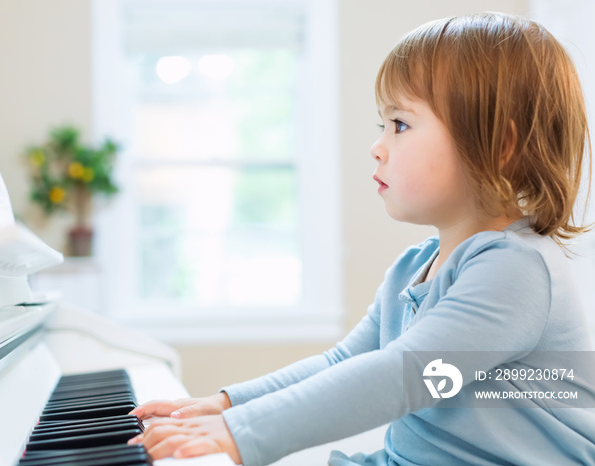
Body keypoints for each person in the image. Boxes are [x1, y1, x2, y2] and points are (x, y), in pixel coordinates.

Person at [128, 12, 595, 466]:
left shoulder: (518, 269)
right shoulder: (413, 268)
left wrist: (244, 432)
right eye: (383, 125)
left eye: (401, 125)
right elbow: (343, 362)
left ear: (500, 146)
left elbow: (407, 375)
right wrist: (228, 404)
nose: (378, 145)